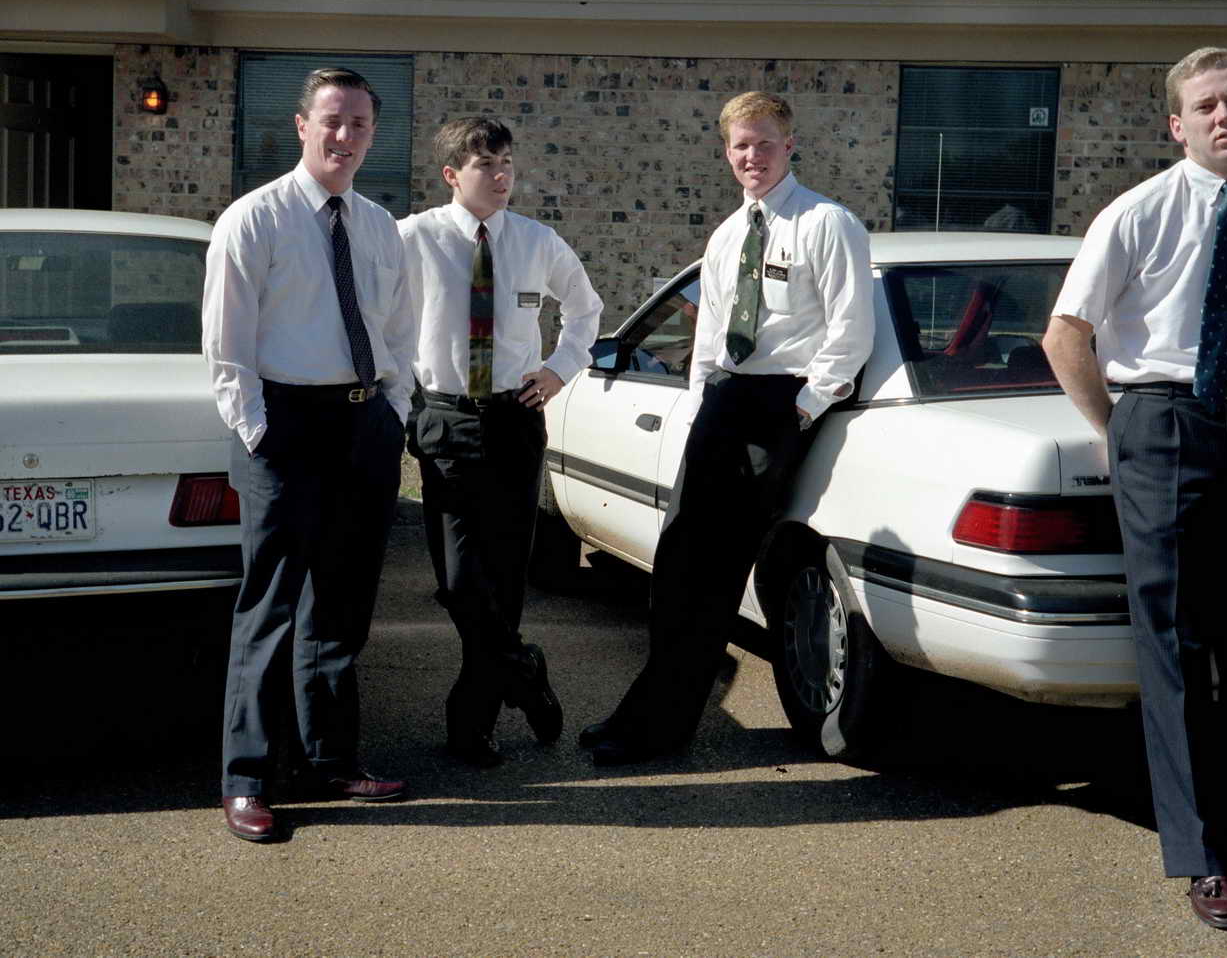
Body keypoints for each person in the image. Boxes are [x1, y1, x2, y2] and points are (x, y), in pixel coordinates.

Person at [1042, 47, 1227, 934]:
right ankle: (1200, 859)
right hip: (1155, 424)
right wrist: (1123, 430)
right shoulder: (1135, 213)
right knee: (1172, 649)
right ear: (1176, 123)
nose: (1224, 117)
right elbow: (1067, 336)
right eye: (1205, 105)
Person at [580, 90, 874, 766]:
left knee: (714, 578)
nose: (752, 157)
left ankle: (657, 729)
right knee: (678, 569)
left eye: (764, 143)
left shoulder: (827, 224)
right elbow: (710, 336)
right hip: (722, 402)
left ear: (789, 143)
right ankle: (646, 715)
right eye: (740, 145)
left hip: (778, 405)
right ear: (726, 151)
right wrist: (698, 406)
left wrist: (799, 412)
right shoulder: (727, 233)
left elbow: (849, 331)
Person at [203, 67, 416, 843]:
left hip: (362, 426)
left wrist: (392, 411)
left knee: (342, 608)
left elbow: (397, 330)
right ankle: (248, 780)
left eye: (359, 124)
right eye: (332, 121)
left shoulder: (378, 225)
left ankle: (331, 759)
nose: (345, 136)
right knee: (270, 608)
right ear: (301, 126)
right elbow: (226, 349)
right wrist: (261, 433)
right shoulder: (253, 221)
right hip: (284, 426)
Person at [398, 116, 602, 766]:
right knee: (461, 583)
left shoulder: (538, 242)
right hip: (445, 420)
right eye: (487, 165)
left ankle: (472, 722)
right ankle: (523, 668)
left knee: (506, 580)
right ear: (453, 174)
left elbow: (584, 310)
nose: (502, 175)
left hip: (514, 420)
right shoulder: (413, 239)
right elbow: (380, 322)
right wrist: (398, 398)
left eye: (508, 162)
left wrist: (558, 370)